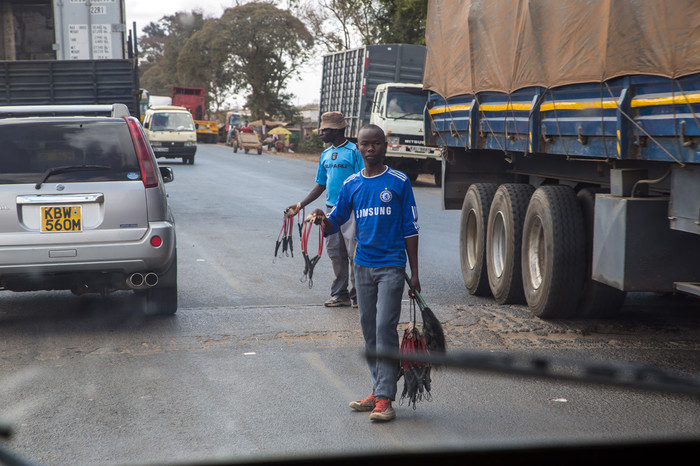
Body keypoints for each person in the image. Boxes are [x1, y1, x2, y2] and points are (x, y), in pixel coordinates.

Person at [309, 124, 420, 422]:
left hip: (392, 267)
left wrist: (416, 272)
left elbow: (411, 229)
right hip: (363, 266)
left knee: (385, 327)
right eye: (364, 145)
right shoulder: (352, 184)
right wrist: (322, 218)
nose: (370, 149)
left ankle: (385, 399)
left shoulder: (398, 181)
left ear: (385, 145)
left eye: (375, 144)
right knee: (369, 330)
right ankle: (378, 389)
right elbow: (337, 220)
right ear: (357, 147)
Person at [285, 112, 364, 307]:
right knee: (335, 253)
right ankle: (340, 294)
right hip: (330, 210)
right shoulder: (325, 155)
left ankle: (358, 297)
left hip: (352, 210)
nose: (320, 133)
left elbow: (364, 180)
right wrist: (300, 205)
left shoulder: (354, 151)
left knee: (354, 254)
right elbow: (321, 185)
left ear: (337, 130)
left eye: (324, 130)